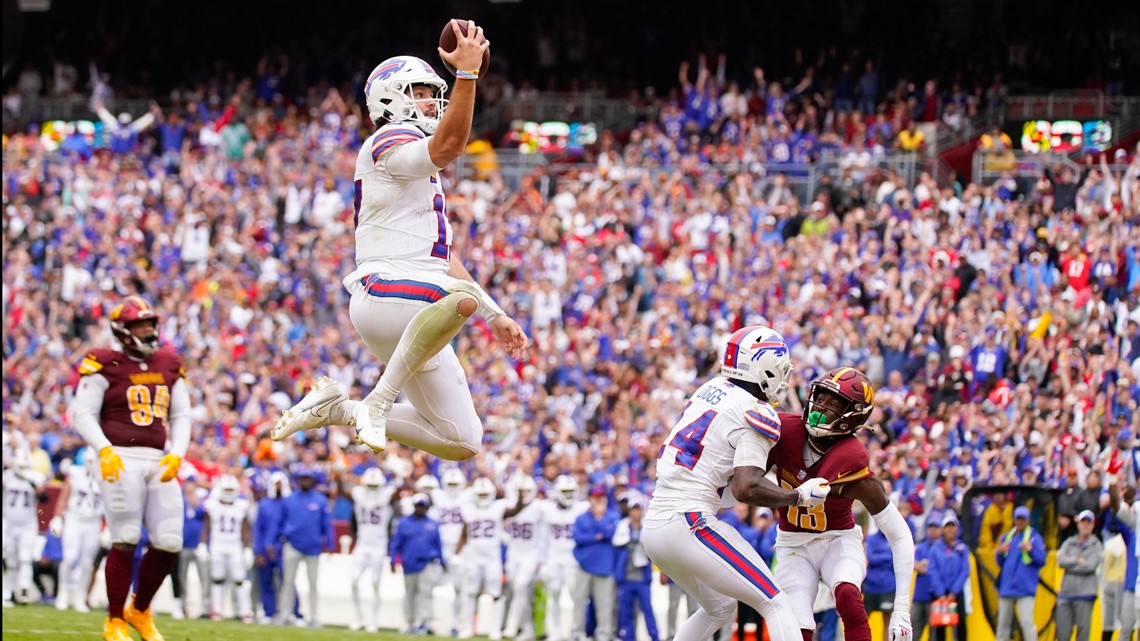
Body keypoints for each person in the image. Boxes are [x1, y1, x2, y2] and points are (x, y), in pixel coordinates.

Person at [271, 20, 528, 461]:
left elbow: (441, 258)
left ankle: (339, 408)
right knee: (460, 300)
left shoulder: (415, 163)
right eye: (421, 92)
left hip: (417, 301)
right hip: (386, 293)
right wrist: (465, 76)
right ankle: (378, 398)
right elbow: (447, 147)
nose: (431, 101)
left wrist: (497, 315)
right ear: (390, 98)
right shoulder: (388, 138)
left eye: (434, 92)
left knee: (461, 440)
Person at [643, 326, 831, 641]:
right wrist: (798, 497)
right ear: (764, 367)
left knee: (720, 607)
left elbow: (727, 492)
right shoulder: (756, 411)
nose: (783, 378)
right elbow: (747, 487)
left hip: (656, 524)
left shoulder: (712, 388)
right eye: (781, 369)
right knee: (775, 601)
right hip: (689, 522)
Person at [67, 296, 189, 641]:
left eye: (150, 324)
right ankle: (114, 619)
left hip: (158, 458)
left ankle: (140, 608)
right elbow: (83, 414)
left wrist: (177, 452)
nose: (148, 330)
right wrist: (104, 450)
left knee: (169, 541)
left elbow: (182, 415)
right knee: (125, 538)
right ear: (123, 330)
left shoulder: (168, 362)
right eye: (140, 325)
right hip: (119, 455)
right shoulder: (103, 362)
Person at [767, 367, 915, 641]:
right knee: (796, 628)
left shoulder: (852, 462)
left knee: (847, 593)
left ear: (853, 416)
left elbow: (900, 534)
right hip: (792, 543)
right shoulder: (785, 431)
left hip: (837, 539)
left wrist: (902, 609)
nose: (821, 407)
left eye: (834, 404)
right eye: (821, 397)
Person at [455, 477, 527, 639]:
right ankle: (468, 628)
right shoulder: (468, 509)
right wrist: (456, 554)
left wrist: (521, 496)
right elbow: (464, 533)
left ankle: (494, 629)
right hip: (473, 556)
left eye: (485, 494)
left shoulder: (498, 507)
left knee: (495, 594)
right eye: (479, 494)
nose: (482, 497)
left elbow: (515, 510)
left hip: (491, 557)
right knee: (471, 593)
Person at [271, 467, 333, 628]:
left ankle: (314, 617)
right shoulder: (289, 500)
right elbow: (279, 523)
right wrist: (274, 541)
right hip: (292, 544)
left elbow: (326, 524)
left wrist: (330, 543)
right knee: (288, 582)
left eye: (308, 478)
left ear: (313, 481)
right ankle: (285, 614)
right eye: (302, 478)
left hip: (313, 546)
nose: (305, 481)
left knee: (313, 583)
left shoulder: (320, 500)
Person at [51, 455, 104, 612]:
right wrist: (57, 517)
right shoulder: (76, 474)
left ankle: (80, 598)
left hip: (94, 523)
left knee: (87, 563)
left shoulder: (107, 478)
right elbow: (64, 497)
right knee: (70, 557)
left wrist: (107, 526)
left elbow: (111, 504)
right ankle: (62, 594)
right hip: (74, 520)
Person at [540, 475, 588, 641]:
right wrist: (543, 562)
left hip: (574, 559)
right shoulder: (547, 509)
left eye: (571, 491)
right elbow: (543, 539)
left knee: (578, 597)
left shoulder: (582, 508)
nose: (568, 495)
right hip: (554, 557)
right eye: (565, 491)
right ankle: (555, 631)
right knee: (554, 595)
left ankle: (577, 631)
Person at [349, 467, 396, 633]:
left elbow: (397, 491)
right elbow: (344, 491)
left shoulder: (387, 495)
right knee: (354, 580)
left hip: (379, 544)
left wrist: (396, 475)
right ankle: (358, 616)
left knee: (376, 583)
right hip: (362, 543)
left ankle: (373, 620)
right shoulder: (358, 493)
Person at [201, 475, 254, 623]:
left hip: (234, 545)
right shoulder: (212, 505)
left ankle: (245, 611)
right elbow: (206, 527)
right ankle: (217, 610)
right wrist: (202, 544)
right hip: (217, 544)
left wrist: (247, 548)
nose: (229, 493)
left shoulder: (241, 505)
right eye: (227, 490)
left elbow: (245, 529)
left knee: (240, 579)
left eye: (232, 490)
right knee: (217, 579)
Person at [391, 493, 444, 634]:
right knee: (410, 594)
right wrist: (393, 560)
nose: (421, 508)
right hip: (408, 564)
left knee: (426, 593)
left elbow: (438, 545)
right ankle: (409, 622)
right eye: (418, 505)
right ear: (414, 506)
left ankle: (425, 622)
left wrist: (442, 561)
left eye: (423, 506)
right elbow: (396, 543)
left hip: (427, 563)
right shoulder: (403, 523)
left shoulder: (432, 524)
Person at [572, 486, 619, 641]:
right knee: (579, 600)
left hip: (605, 567)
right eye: (595, 497)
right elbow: (577, 537)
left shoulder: (612, 516)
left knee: (605, 603)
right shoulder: (581, 518)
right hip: (584, 565)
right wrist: (595, 537)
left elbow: (609, 533)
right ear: (590, 499)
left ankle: (604, 634)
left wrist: (599, 519)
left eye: (601, 498)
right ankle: (576, 633)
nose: (598, 501)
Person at [503, 475, 545, 641]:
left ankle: (512, 626)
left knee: (521, 586)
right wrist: (506, 540)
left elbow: (546, 534)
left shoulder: (539, 507)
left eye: (526, 490)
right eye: (521, 490)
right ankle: (527, 629)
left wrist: (543, 559)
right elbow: (496, 525)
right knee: (519, 590)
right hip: (514, 552)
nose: (524, 493)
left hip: (531, 552)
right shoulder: (509, 505)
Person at [995, 505, 1045, 641]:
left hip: (1025, 588)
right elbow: (1000, 562)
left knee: (1027, 623)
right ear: (1014, 519)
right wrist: (999, 552)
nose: (1020, 522)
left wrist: (1031, 550)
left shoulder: (1035, 538)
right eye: (1018, 519)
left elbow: (1041, 560)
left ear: (1028, 520)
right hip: (1006, 588)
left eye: (1023, 519)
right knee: (1002, 624)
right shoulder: (1007, 537)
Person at [2, 452, 46, 605]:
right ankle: (10, 591)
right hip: (9, 522)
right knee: (11, 559)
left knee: (25, 558)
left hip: (27, 524)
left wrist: (34, 486)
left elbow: (45, 499)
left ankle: (24, 591)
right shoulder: (7, 476)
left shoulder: (35, 478)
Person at [614, 496, 659, 641]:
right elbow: (617, 542)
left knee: (647, 609)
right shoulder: (623, 526)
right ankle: (628, 637)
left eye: (638, 509)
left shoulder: (647, 526)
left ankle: (654, 636)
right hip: (626, 576)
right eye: (633, 509)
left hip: (642, 577)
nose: (636, 513)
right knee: (626, 611)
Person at [431, 468, 469, 636]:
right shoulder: (437, 497)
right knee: (430, 585)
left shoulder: (468, 498)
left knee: (459, 588)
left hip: (460, 549)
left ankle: (456, 623)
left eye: (455, 484)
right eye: (450, 484)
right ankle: (430, 621)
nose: (453, 487)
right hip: (440, 548)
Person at [1055, 510, 1103, 641]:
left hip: (1085, 594)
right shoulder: (1069, 542)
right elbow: (1060, 560)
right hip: (1066, 593)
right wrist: (1077, 560)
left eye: (1089, 522)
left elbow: (1090, 566)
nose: (1086, 525)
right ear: (1078, 524)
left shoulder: (1096, 545)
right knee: (1062, 633)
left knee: (1083, 633)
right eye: (1083, 521)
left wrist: (1070, 563)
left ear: (1093, 525)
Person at [931, 515, 971, 641]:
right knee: (939, 626)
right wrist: (940, 593)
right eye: (947, 527)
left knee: (961, 625)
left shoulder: (962, 548)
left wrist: (954, 591)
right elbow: (932, 571)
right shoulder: (935, 548)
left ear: (957, 529)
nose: (950, 530)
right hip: (940, 594)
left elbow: (965, 570)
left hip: (956, 593)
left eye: (953, 526)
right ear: (943, 529)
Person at [910, 520, 945, 639]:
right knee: (914, 630)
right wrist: (928, 567)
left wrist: (926, 567)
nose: (933, 530)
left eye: (936, 527)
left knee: (934, 633)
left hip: (935, 596)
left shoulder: (942, 548)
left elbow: (941, 568)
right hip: (919, 596)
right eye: (930, 527)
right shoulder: (921, 547)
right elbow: (913, 564)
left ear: (941, 530)